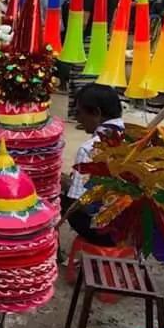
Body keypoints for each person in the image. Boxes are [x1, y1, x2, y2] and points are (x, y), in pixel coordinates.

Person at [62, 83, 125, 246]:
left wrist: (63, 183)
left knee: (57, 197)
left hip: (105, 233)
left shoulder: (89, 149)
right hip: (131, 228)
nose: (77, 119)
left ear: (96, 113)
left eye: (79, 112)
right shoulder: (135, 137)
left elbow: (79, 202)